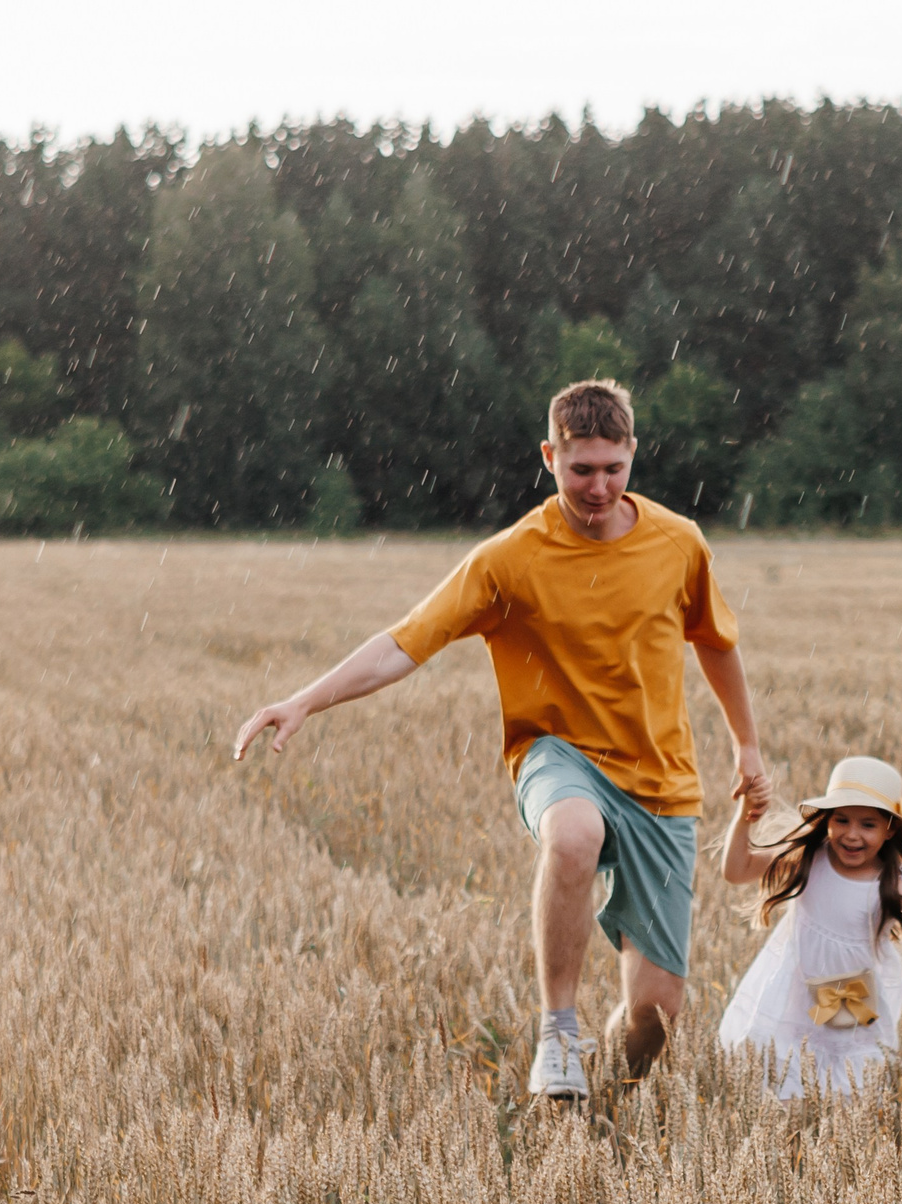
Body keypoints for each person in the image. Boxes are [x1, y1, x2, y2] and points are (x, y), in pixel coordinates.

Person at [233, 379, 772, 1101]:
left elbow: (716, 642)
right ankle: (559, 1031)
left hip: (661, 780)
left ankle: (608, 1102)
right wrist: (304, 700)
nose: (598, 487)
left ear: (633, 454)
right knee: (573, 834)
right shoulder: (510, 558)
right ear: (550, 457)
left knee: (656, 1016)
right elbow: (404, 643)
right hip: (557, 754)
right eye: (581, 470)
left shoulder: (678, 543)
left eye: (613, 468)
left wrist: (746, 744)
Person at [717, 756, 902, 1098]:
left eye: (868, 824)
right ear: (827, 819)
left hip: (850, 1001)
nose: (852, 835)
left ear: (889, 829)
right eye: (842, 820)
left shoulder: (891, 884)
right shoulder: (809, 858)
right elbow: (736, 870)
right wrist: (745, 815)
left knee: (845, 1096)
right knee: (785, 1092)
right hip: (795, 994)